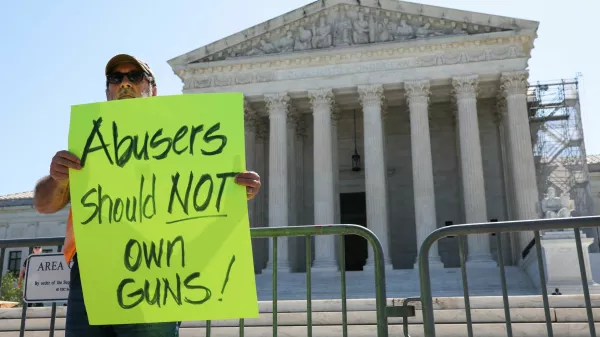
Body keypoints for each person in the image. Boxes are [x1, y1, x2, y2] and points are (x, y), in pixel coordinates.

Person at [32, 54, 262, 337]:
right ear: (107, 91)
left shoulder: (186, 141)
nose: (125, 83)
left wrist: (236, 191)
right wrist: (58, 179)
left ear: (152, 89)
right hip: (92, 272)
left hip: (157, 272)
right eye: (116, 78)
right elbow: (43, 205)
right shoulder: (89, 141)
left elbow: (205, 199)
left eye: (135, 77)